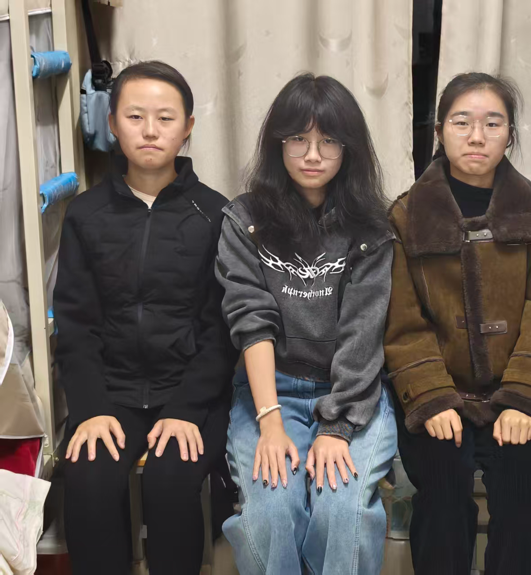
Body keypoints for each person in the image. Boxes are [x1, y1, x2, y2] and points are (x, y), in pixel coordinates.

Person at [384, 72, 531, 574]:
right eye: (461, 122)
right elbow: (403, 323)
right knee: (443, 496)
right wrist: (431, 396)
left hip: (516, 398)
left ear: (509, 134)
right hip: (439, 397)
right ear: (439, 131)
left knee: (521, 498)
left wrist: (523, 398)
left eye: (493, 123)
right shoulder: (405, 218)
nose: (476, 136)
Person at [55, 61, 237, 574]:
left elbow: (221, 329)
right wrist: (91, 408)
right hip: (111, 392)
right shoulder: (86, 214)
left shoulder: (215, 213)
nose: (150, 130)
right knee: (88, 479)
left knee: (170, 481)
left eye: (165, 117)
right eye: (135, 117)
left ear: (188, 126)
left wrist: (186, 408)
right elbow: (75, 324)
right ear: (112, 123)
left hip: (192, 393)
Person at [216, 73, 397, 575]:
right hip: (269, 391)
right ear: (278, 144)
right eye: (298, 139)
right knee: (272, 513)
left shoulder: (372, 228)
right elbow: (251, 321)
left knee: (343, 514)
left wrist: (337, 426)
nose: (312, 155)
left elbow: (363, 332)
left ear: (349, 148)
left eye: (328, 141)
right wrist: (270, 420)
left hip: (352, 394)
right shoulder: (245, 220)